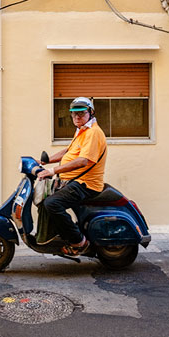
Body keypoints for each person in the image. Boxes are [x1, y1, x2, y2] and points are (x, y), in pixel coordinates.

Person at [37, 96, 107, 255]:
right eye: (74, 114)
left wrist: (53, 171)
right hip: (75, 181)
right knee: (46, 200)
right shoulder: (82, 131)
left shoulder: (93, 132)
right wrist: (45, 161)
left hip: (85, 183)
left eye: (81, 113)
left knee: (52, 203)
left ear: (91, 112)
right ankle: (53, 235)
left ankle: (79, 242)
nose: (77, 117)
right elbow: (69, 152)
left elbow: (82, 161)